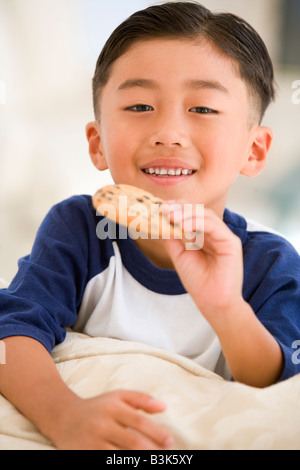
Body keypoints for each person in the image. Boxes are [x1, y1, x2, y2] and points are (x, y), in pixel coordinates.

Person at [0, 1, 300, 450]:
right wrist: (63, 414)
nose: (168, 132)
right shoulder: (80, 228)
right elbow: (13, 330)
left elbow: (279, 383)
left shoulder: (269, 262)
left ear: (253, 151)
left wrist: (225, 309)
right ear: (98, 144)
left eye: (203, 109)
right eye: (139, 105)